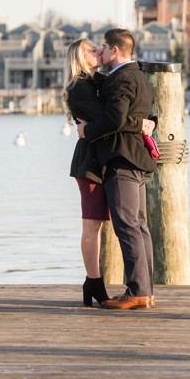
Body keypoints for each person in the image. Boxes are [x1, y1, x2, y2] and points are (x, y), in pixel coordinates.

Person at [63, 38, 151, 307]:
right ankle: (94, 280)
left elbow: (123, 110)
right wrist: (141, 125)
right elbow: (110, 117)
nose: (97, 51)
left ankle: (136, 288)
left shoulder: (98, 81)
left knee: (119, 224)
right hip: (89, 164)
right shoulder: (78, 87)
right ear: (79, 57)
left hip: (104, 160)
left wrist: (150, 120)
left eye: (98, 47)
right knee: (92, 224)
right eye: (91, 50)